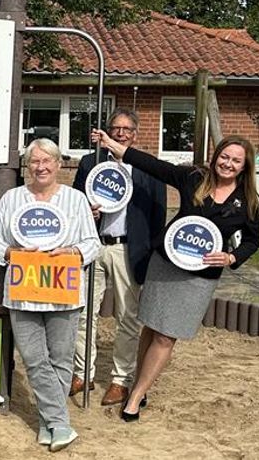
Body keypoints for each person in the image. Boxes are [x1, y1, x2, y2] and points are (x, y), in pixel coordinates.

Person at [90, 130, 259, 422]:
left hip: (200, 277)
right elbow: (154, 166)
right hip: (165, 264)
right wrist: (112, 145)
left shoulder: (249, 201)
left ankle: (135, 396)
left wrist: (231, 257)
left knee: (166, 335)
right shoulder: (194, 178)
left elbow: (252, 240)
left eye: (236, 161)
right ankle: (140, 385)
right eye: (224, 157)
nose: (228, 164)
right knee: (151, 326)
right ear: (216, 156)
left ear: (244, 166)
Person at [0, 138, 100, 453]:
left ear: (58, 164)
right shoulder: (12, 198)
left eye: (47, 161)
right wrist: (10, 252)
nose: (41, 167)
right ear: (28, 166)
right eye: (35, 161)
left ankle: (49, 424)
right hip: (23, 290)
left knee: (61, 359)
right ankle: (60, 423)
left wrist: (72, 251)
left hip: (64, 289)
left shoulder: (76, 200)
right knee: (34, 359)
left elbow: (93, 244)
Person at [69, 108, 167, 406]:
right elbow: (74, 203)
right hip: (93, 245)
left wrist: (150, 255)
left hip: (128, 249)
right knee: (83, 312)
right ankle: (82, 372)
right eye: (116, 128)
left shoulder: (148, 168)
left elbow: (158, 215)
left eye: (127, 129)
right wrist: (86, 211)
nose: (121, 133)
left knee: (127, 317)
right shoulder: (91, 163)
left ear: (135, 134)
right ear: (107, 131)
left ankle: (120, 380)